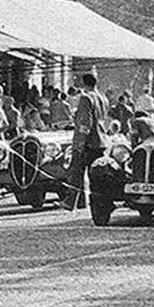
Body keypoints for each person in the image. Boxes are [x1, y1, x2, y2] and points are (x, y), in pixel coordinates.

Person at [65, 73, 109, 210]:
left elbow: (85, 122)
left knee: (76, 171)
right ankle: (94, 203)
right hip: (101, 141)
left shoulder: (86, 98)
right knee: (97, 175)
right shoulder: (103, 98)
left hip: (88, 141)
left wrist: (80, 142)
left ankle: (71, 201)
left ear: (85, 83)